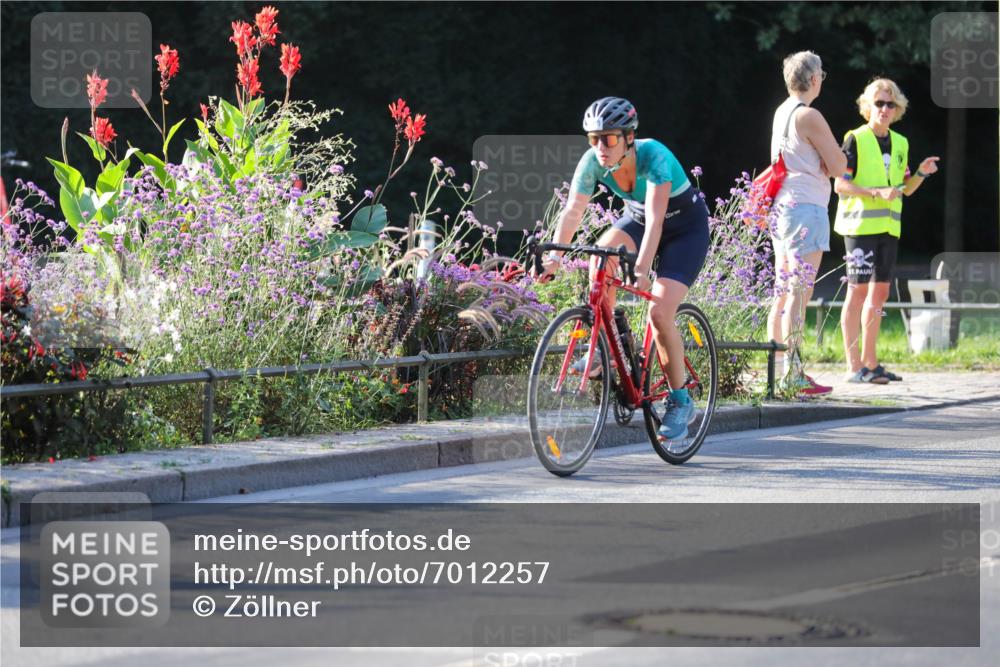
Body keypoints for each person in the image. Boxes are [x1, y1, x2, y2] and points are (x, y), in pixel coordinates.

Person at [535, 97, 710, 442]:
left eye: (609, 138)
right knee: (599, 262)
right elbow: (573, 211)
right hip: (638, 219)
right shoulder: (592, 162)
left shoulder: (654, 155)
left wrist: (642, 268)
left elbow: (658, 221)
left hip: (683, 229)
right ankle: (605, 346)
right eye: (594, 138)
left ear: (629, 137)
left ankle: (680, 400)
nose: (601, 146)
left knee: (659, 313)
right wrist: (554, 257)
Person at [834, 78, 939, 383]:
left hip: (889, 229)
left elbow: (905, 189)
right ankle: (854, 367)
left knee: (879, 294)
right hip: (859, 227)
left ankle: (871, 362)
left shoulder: (901, 143)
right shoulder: (854, 138)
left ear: (897, 109)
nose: (884, 109)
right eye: (878, 103)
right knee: (857, 292)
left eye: (890, 104)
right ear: (868, 107)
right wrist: (874, 192)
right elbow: (840, 184)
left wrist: (920, 172)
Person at [765, 51, 847, 396]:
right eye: (822, 75)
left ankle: (776, 370)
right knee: (800, 294)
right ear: (814, 79)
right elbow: (840, 165)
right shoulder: (810, 115)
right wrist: (833, 160)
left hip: (783, 206)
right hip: (806, 209)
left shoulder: (783, 111)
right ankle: (794, 374)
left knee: (782, 295)